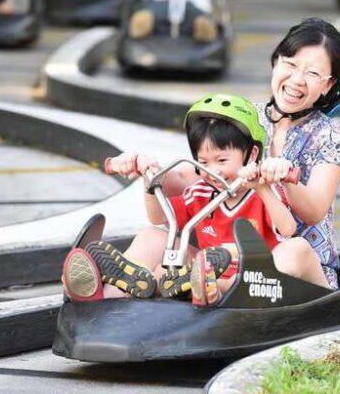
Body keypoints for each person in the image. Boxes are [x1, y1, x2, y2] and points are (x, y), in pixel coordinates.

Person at [62, 94, 324, 306]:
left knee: (297, 247)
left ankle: (203, 287)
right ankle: (109, 292)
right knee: (154, 236)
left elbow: (288, 230)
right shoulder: (200, 193)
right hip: (205, 272)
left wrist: (263, 187)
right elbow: (159, 218)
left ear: (252, 154)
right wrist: (149, 179)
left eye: (222, 160)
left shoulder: (264, 191)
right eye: (204, 162)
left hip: (260, 284)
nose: (214, 170)